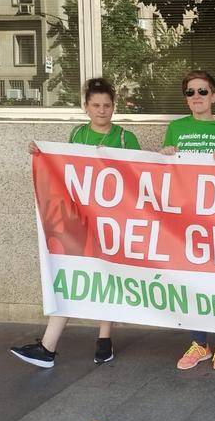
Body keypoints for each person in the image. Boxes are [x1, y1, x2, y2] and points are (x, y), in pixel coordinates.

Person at [11, 77, 140, 368]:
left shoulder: (125, 138)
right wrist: (42, 153)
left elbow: (139, 176)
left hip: (113, 221)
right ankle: (48, 346)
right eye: (96, 105)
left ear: (114, 106)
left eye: (107, 105)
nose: (102, 110)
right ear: (86, 107)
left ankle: (103, 340)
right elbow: (65, 169)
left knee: (108, 278)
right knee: (71, 277)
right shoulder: (78, 134)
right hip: (79, 221)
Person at [161, 70, 215, 371]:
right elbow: (167, 172)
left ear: (214, 95)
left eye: (202, 91)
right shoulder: (176, 128)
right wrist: (167, 153)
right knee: (191, 280)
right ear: (186, 98)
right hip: (186, 218)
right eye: (190, 92)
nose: (196, 97)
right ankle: (200, 342)